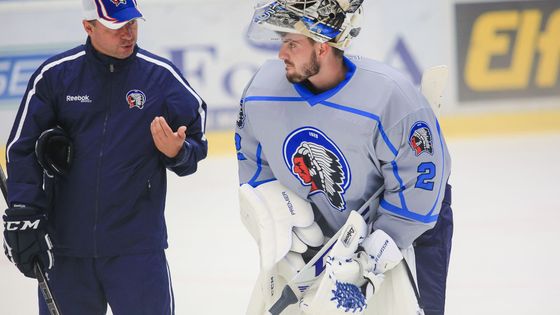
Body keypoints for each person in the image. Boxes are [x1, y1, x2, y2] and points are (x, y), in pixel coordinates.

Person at [235, 1, 452, 314]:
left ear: (322, 47)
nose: (282, 54)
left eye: (292, 44)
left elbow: (422, 183)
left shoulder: (392, 98)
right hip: (327, 228)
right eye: (283, 43)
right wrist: (284, 220)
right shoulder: (261, 92)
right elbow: (253, 160)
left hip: (412, 227)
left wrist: (373, 256)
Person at [2, 0, 207, 314]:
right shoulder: (55, 77)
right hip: (66, 250)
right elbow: (21, 147)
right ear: (88, 26)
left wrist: (178, 153)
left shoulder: (161, 79)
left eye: (133, 23)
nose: (128, 34)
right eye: (116, 26)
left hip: (137, 250)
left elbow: (195, 137)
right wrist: (24, 210)